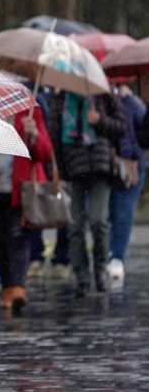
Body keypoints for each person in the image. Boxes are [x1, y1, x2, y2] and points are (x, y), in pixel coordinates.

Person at [47, 91, 127, 296]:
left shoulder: (103, 96)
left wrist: (100, 121)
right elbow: (54, 136)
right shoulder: (60, 101)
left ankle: (100, 270)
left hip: (100, 168)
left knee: (99, 221)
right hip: (73, 168)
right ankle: (81, 275)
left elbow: (121, 128)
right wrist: (56, 170)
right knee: (74, 225)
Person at [0, 108, 53, 311]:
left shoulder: (31, 113)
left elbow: (45, 153)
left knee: (17, 237)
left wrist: (34, 134)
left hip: (21, 190)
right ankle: (7, 288)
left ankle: (18, 287)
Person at [108, 84, 146, 285]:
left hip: (130, 166)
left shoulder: (132, 103)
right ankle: (110, 253)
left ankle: (117, 257)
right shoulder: (98, 102)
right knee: (108, 215)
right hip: (103, 165)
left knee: (123, 214)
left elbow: (144, 135)